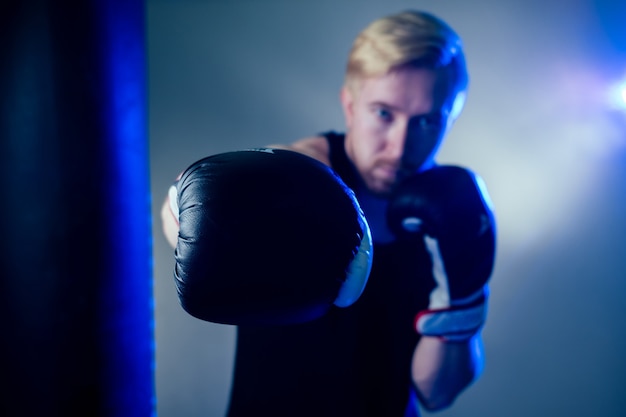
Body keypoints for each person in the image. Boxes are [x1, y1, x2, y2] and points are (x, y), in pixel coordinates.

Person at [161, 9, 496, 417]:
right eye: (384, 113)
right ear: (350, 105)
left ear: (450, 117)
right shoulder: (301, 176)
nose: (400, 144)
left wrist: (464, 297)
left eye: (427, 120)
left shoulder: (453, 213)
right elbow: (185, 202)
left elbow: (436, 393)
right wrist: (186, 206)